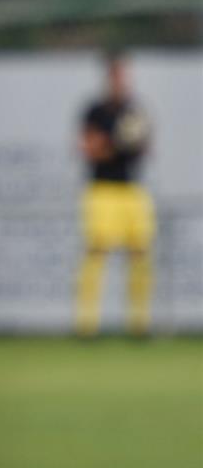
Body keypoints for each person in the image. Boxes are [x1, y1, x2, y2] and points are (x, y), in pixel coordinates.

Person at [74, 53, 156, 336]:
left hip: (132, 190)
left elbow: (146, 147)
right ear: (109, 78)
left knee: (140, 254)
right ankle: (87, 327)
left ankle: (139, 326)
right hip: (102, 190)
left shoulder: (135, 109)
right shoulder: (96, 111)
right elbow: (88, 148)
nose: (122, 81)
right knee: (96, 252)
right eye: (117, 75)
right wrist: (117, 143)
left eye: (125, 75)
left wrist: (130, 142)